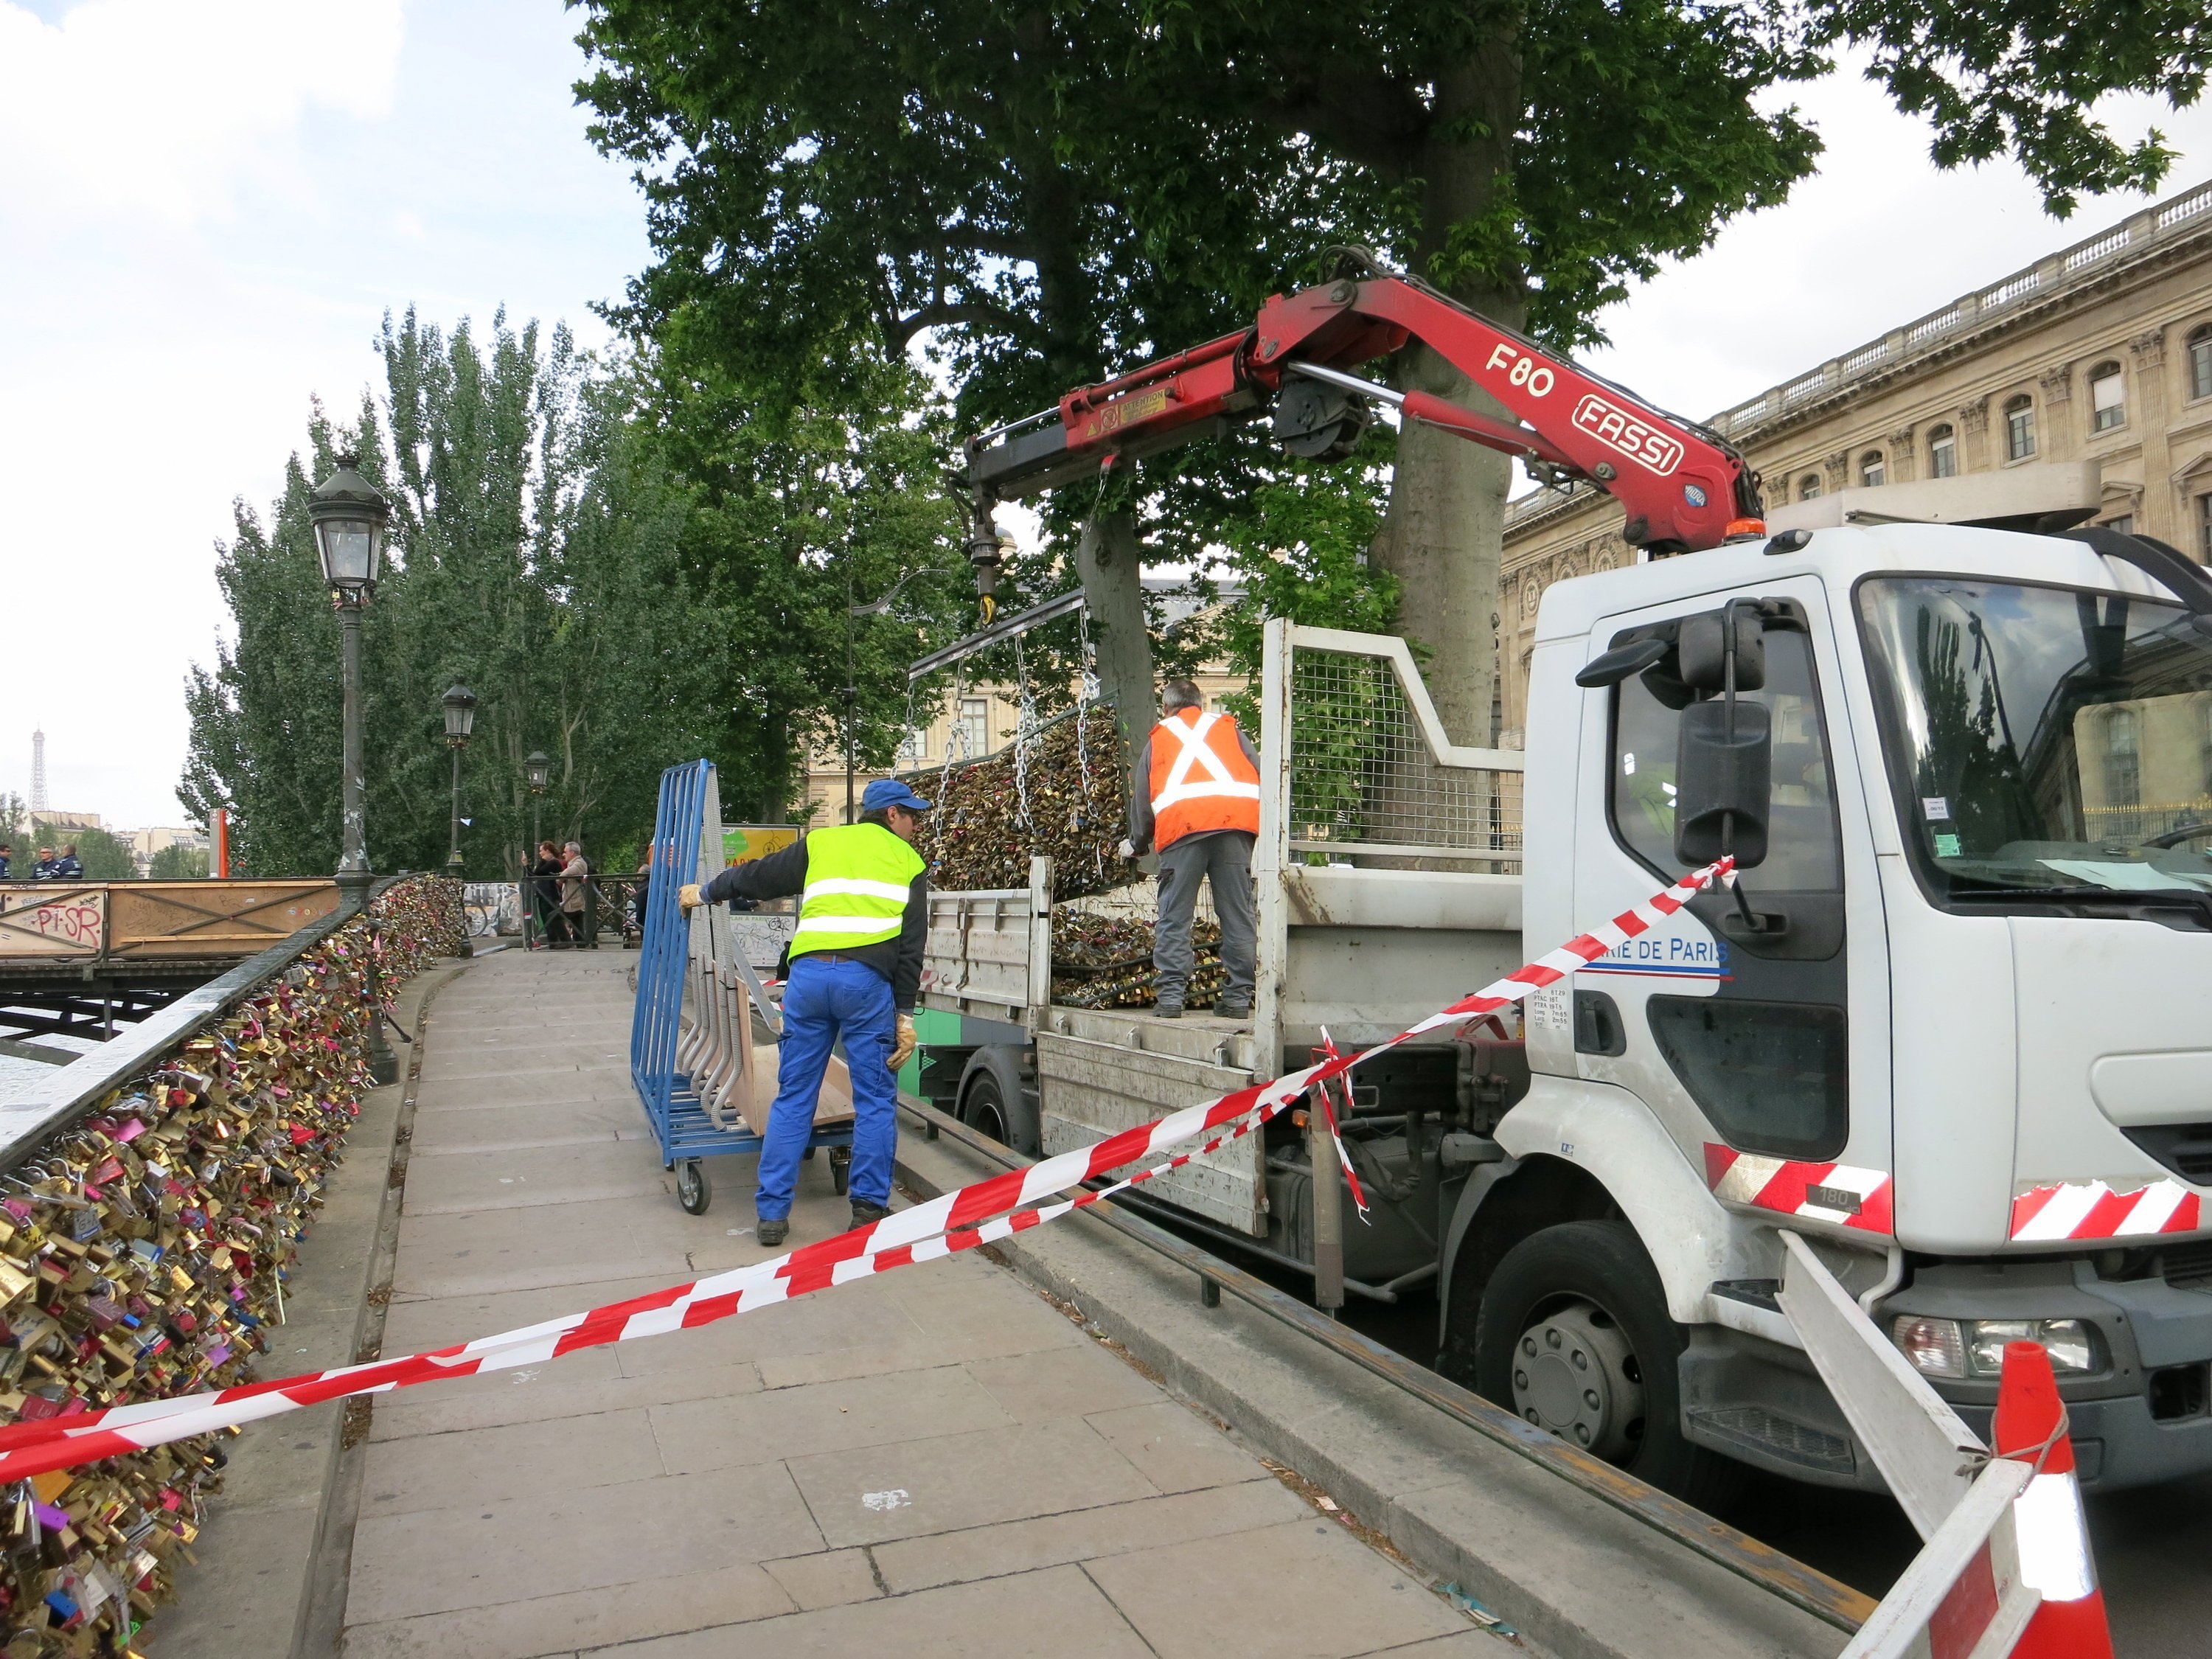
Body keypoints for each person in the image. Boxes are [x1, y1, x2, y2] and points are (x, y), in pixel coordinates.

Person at [680, 777, 931, 1246]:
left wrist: (707, 893)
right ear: (891, 815)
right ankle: (867, 1211)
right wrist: (904, 1016)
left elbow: (758, 875)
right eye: (912, 815)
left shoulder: (822, 842)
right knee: (875, 1100)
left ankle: (772, 1215)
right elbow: (910, 949)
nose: (917, 824)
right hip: (865, 984)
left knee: (795, 1096)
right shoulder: (909, 862)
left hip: (808, 979)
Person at [1123, 678, 1259, 1020]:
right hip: (1234, 830)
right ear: (1200, 704)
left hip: (1183, 833)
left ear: (1166, 709)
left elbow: (1143, 799)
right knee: (1238, 917)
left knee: (1174, 918)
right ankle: (1239, 999)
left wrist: (1137, 845)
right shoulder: (1229, 728)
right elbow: (1259, 773)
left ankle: (1171, 1000)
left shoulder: (1160, 737)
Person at [529, 841, 564, 947]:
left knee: (551, 919)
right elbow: (533, 875)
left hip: (550, 894)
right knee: (546, 919)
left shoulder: (554, 863)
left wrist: (543, 861)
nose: (540, 854)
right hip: (543, 894)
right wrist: (526, 865)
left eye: (541, 851)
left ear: (548, 851)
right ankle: (552, 942)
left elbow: (538, 873)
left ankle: (556, 941)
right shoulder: (547, 863)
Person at [558, 840, 589, 948]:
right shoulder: (575, 863)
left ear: (572, 853)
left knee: (553, 917)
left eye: (565, 852)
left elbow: (566, 873)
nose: (563, 854)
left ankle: (566, 941)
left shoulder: (579, 863)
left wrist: (560, 878)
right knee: (577, 923)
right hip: (574, 900)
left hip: (574, 901)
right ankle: (581, 944)